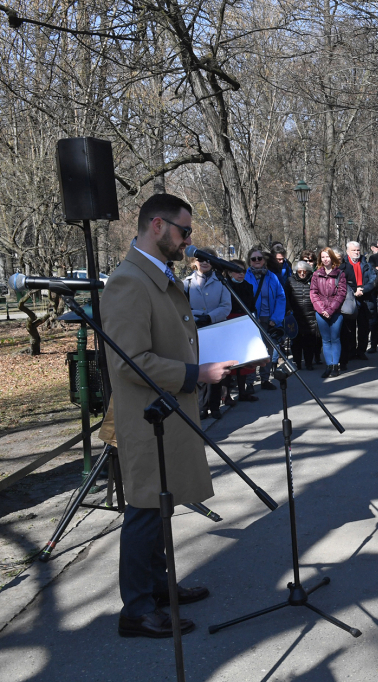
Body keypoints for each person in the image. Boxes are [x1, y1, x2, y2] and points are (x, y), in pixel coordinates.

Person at [103, 193, 236, 638]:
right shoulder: (128, 281)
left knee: (163, 504)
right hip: (146, 419)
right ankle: (136, 610)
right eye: (184, 231)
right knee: (144, 512)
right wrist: (194, 372)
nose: (188, 241)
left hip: (167, 412)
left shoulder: (157, 274)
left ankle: (157, 587)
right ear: (156, 226)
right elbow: (129, 360)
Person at [184, 251, 232, 419]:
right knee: (201, 369)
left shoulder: (221, 282)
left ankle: (215, 405)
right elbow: (181, 307)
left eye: (208, 259)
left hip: (216, 328)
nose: (204, 262)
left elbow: (226, 305)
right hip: (196, 330)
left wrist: (210, 316)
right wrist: (197, 316)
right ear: (194, 262)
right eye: (200, 259)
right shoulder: (187, 283)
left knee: (216, 368)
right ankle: (202, 407)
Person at [244, 247, 286, 390]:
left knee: (268, 350)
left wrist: (276, 318)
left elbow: (281, 297)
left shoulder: (272, 277)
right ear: (249, 261)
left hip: (269, 318)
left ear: (264, 261)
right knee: (252, 350)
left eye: (259, 258)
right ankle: (249, 382)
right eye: (253, 259)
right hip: (252, 319)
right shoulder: (244, 276)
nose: (257, 261)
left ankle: (265, 379)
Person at [224, 259, 259, 403]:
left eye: (243, 271)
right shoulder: (225, 285)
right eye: (237, 270)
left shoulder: (248, 286)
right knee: (229, 359)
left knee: (243, 359)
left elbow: (251, 306)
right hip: (228, 321)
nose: (241, 274)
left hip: (244, 321)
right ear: (229, 272)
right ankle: (226, 395)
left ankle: (243, 391)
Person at [310, 247, 347, 378]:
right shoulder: (316, 274)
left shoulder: (340, 274)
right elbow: (313, 293)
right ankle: (328, 366)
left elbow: (341, 294)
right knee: (325, 340)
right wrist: (321, 310)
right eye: (323, 257)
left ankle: (335, 366)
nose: (326, 259)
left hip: (335, 312)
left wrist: (330, 310)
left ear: (332, 258)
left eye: (328, 257)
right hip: (321, 312)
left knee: (335, 338)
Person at [341, 241, 377, 361]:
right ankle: (351, 351)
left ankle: (361, 351)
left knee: (364, 327)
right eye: (354, 250)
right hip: (350, 299)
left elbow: (373, 281)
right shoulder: (343, 265)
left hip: (365, 298)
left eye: (358, 250)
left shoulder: (366, 264)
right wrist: (353, 292)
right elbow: (341, 282)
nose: (356, 252)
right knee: (350, 327)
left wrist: (363, 290)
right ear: (347, 252)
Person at [284, 260, 318, 371]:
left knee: (309, 342)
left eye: (305, 271)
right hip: (295, 315)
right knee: (296, 342)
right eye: (300, 272)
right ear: (296, 272)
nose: (302, 274)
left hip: (310, 315)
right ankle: (297, 363)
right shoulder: (290, 281)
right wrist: (288, 309)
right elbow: (286, 297)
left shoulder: (313, 280)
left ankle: (309, 363)